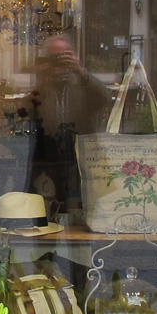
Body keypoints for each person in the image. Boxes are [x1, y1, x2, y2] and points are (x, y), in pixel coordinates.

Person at [32, 35, 111, 210]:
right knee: (53, 206)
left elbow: (105, 99)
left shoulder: (84, 85)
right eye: (54, 57)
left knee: (85, 205)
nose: (58, 61)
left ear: (73, 56)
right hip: (51, 161)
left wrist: (81, 71)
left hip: (82, 160)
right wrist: (41, 80)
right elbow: (29, 112)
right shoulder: (44, 87)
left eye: (63, 56)